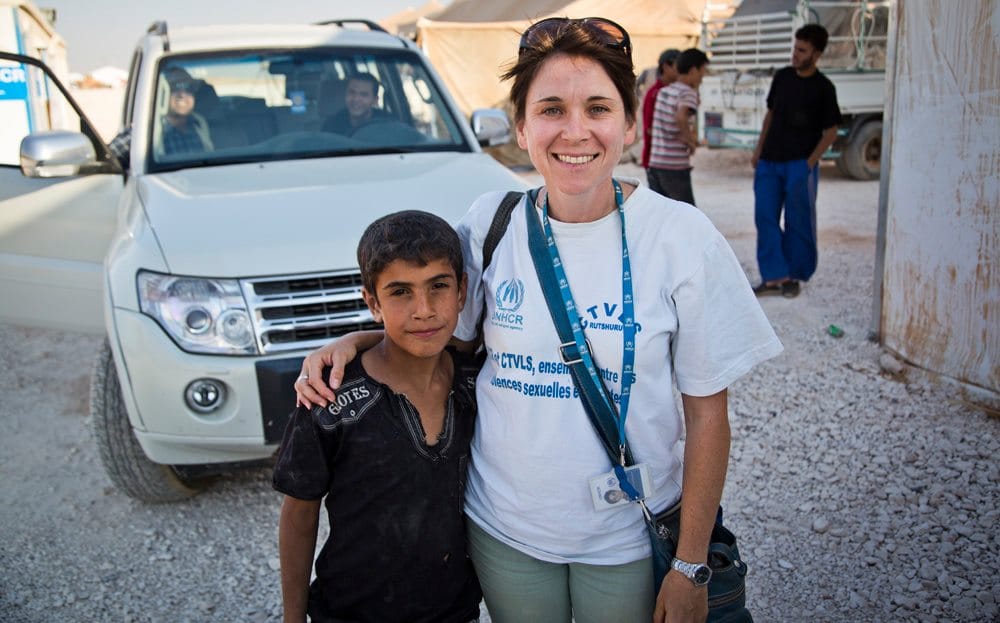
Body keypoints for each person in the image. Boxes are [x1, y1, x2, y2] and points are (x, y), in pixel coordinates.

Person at [297, 17, 782, 623]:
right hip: (505, 531)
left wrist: (688, 566)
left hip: (628, 539)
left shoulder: (682, 238)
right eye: (551, 109)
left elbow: (708, 414)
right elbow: (441, 331)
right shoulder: (490, 223)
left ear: (628, 124)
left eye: (598, 108)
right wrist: (359, 338)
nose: (575, 132)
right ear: (521, 127)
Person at [273, 210, 481, 623]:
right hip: (351, 611)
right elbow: (299, 514)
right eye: (400, 292)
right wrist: (293, 618)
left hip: (454, 611)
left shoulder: (478, 382)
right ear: (372, 302)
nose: (423, 310)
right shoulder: (329, 398)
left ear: (461, 292)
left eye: (438, 286)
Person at [751, 24, 842, 298]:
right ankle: (772, 277)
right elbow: (770, 115)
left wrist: (810, 163)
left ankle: (794, 276)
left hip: (799, 166)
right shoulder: (782, 77)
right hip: (769, 162)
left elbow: (831, 132)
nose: (795, 54)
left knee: (798, 222)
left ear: (816, 54)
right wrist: (758, 150)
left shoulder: (824, 88)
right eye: (795, 47)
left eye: (802, 50)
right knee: (765, 218)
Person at [647, 48, 709, 205]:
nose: (703, 76)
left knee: (661, 216)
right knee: (686, 217)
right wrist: (690, 142)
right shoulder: (688, 93)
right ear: (694, 70)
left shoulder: (664, 91)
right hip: (674, 167)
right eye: (703, 71)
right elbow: (681, 116)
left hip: (655, 165)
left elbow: (664, 124)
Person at [641, 49, 680, 172]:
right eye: (678, 66)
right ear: (666, 66)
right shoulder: (655, 94)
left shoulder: (675, 91)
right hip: (659, 162)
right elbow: (650, 129)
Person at [159, 68, 213, 155]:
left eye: (188, 87)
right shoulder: (154, 129)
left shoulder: (199, 122)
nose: (182, 94)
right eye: (174, 87)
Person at [321, 73, 388, 135]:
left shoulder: (387, 124)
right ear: (345, 94)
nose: (356, 99)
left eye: (364, 94)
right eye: (351, 92)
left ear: (375, 100)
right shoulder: (331, 126)